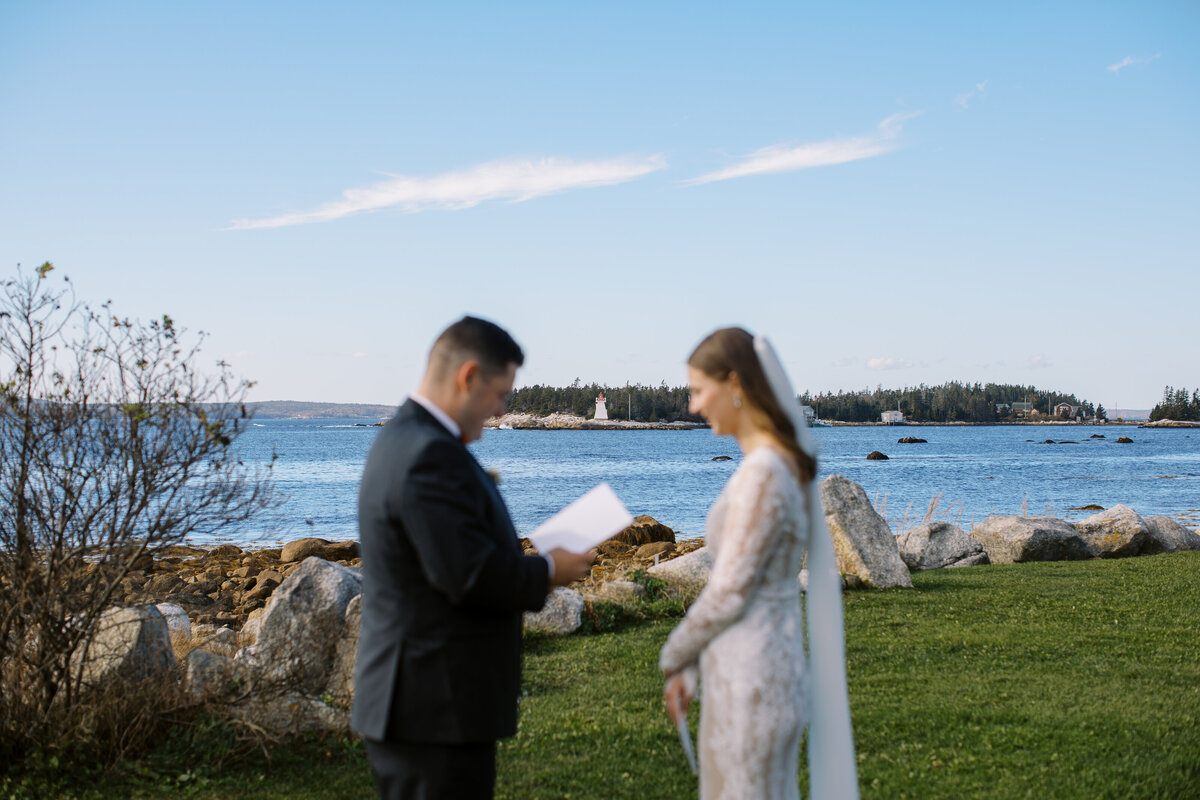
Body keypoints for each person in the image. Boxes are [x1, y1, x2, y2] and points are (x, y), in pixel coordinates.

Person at [352, 316, 595, 800]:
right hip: (431, 706)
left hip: (429, 702)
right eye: (500, 393)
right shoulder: (428, 454)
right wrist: (551, 569)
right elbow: (466, 573)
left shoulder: (408, 439)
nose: (502, 409)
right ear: (467, 377)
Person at [660, 327, 859, 799]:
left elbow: (731, 589)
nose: (692, 406)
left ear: (734, 385)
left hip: (753, 681)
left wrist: (674, 656)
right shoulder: (775, 465)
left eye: (697, 391)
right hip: (751, 669)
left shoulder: (764, 473)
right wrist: (694, 669)